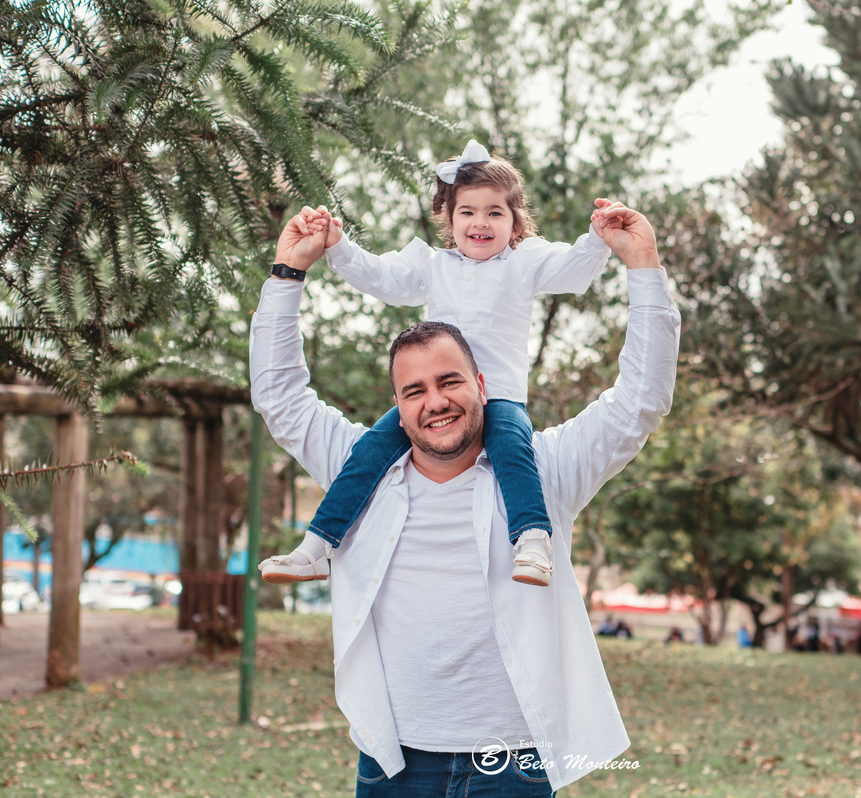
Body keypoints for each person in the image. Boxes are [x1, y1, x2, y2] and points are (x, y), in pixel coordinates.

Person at [250, 196, 679, 794]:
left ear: (481, 384)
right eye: (414, 390)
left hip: (515, 761)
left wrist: (643, 268)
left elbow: (640, 401)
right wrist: (287, 275)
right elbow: (281, 398)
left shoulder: (545, 470)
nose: (435, 402)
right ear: (396, 407)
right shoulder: (361, 475)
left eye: (450, 381)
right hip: (393, 757)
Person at [258, 140, 613, 588]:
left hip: (498, 394)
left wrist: (598, 237)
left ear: (515, 221)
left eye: (494, 213)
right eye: (467, 211)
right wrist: (338, 244)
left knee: (512, 450)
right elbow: (380, 277)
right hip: (436, 393)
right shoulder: (432, 265)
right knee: (368, 452)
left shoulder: (524, 262)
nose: (480, 222)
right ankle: (316, 547)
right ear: (449, 217)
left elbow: (572, 269)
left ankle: (533, 542)